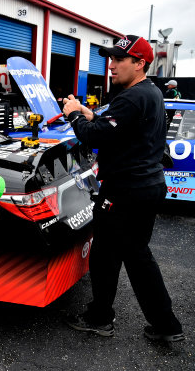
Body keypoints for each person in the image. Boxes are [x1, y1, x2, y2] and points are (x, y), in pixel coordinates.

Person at [61, 35, 184, 342]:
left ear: (139, 63)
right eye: (111, 59)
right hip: (146, 186)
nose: (111, 66)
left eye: (119, 60)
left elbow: (94, 136)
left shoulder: (132, 97)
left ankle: (105, 319)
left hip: (126, 191)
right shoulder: (150, 92)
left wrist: (75, 113)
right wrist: (94, 116)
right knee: (129, 254)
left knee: (116, 256)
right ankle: (162, 325)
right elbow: (121, 129)